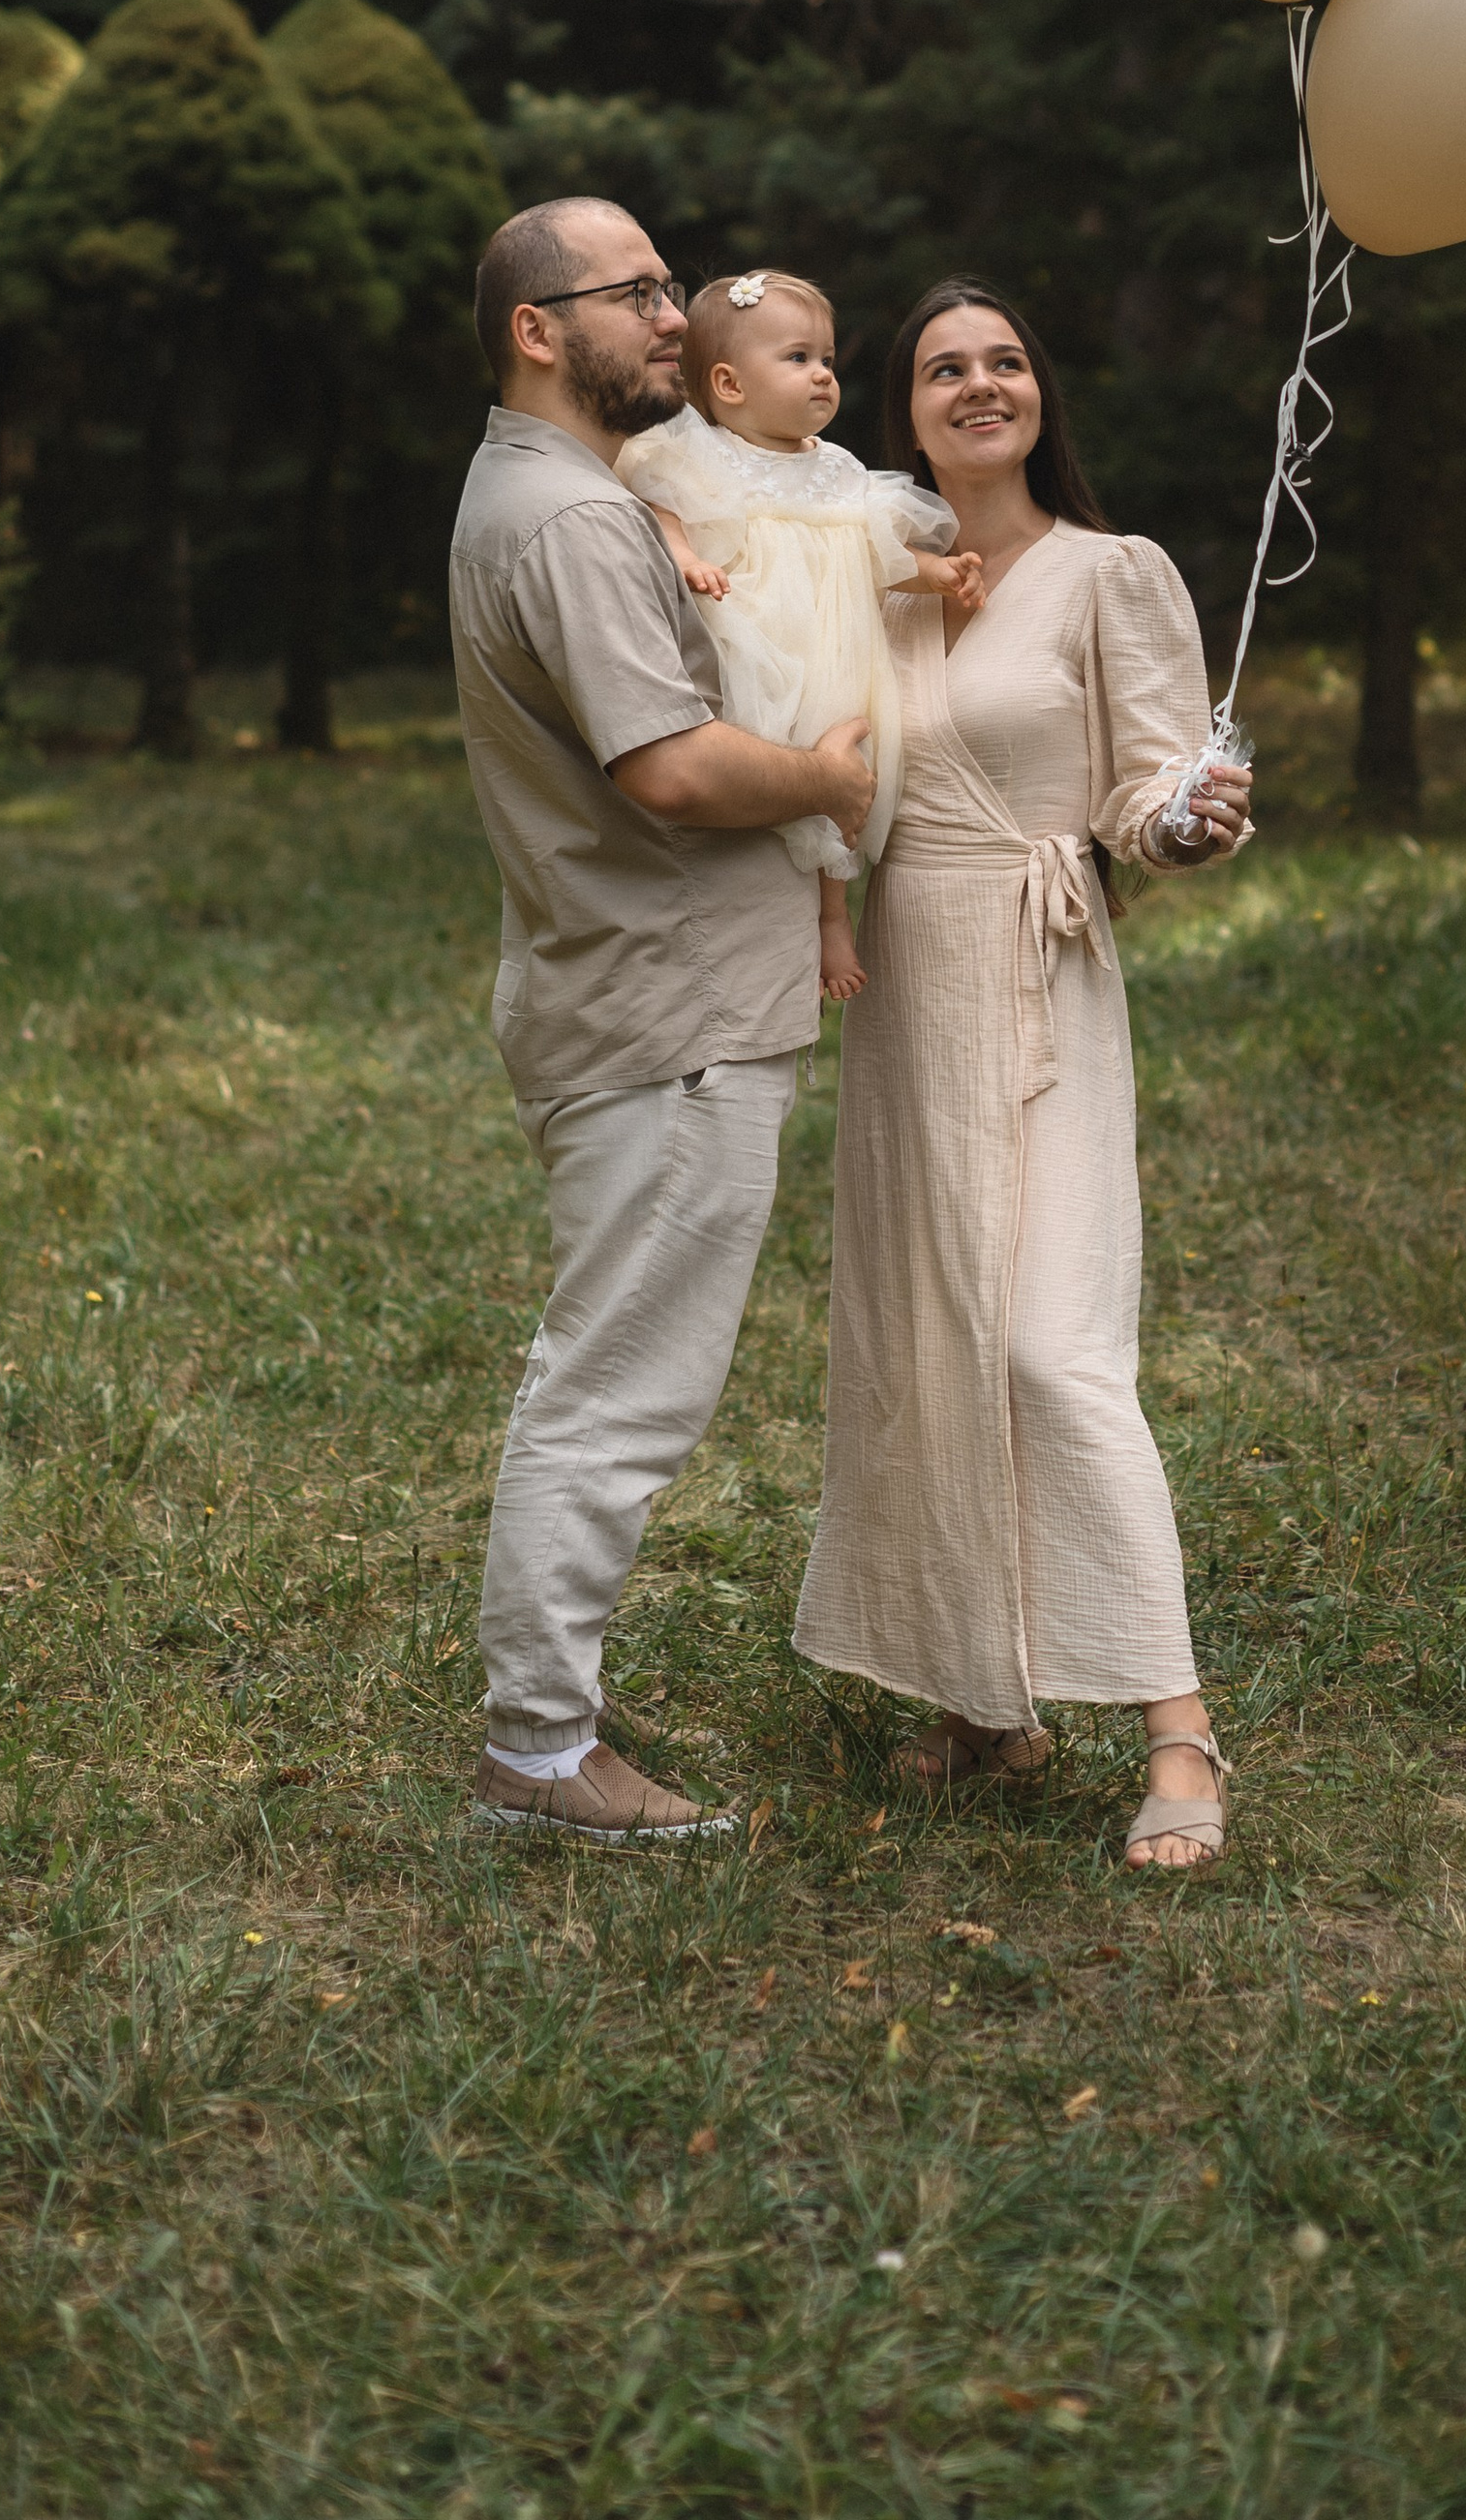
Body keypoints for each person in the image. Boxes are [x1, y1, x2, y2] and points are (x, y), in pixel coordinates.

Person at [792, 280, 1254, 1870]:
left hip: (1039, 975)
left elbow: (1148, 789)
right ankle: (989, 1698)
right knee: (934, 1336)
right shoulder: (881, 587)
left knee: (1055, 1346)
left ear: (1040, 392)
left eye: (1003, 360)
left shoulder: (1108, 573)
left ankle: (1178, 1724)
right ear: (903, 410)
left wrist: (1181, 820)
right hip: (906, 994)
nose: (978, 384)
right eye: (942, 368)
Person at [449, 197, 876, 1846]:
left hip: (633, 989)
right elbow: (677, 766)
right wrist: (835, 777)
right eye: (635, 293)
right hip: (665, 1010)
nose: (674, 319)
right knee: (617, 1388)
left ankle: (548, 1718)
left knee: (610, 1369)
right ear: (537, 328)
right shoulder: (567, 519)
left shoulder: (559, 494)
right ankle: (541, 1752)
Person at [617, 268, 983, 1008]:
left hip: (834, 651)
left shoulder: (836, 466)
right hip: (752, 637)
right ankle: (756, 908)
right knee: (761, 760)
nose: (821, 375)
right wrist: (684, 554)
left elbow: (869, 549)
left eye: (826, 359)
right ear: (728, 383)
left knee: (836, 768)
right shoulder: (701, 455)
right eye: (798, 359)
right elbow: (656, 506)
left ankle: (830, 919)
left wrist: (937, 572)